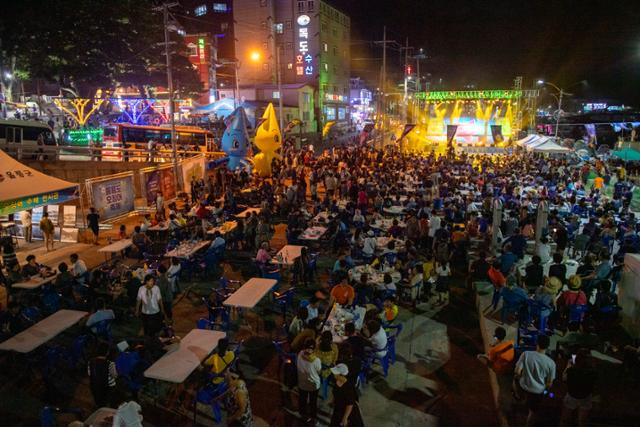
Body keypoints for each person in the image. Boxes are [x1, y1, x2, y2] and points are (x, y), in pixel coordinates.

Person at [514, 335, 556, 427]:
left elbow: (517, 371)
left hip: (523, 386)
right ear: (548, 346)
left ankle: (518, 396)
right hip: (538, 392)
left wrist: (519, 377)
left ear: (537, 343)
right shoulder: (551, 363)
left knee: (515, 378)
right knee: (533, 412)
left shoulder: (526, 354)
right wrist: (545, 392)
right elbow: (549, 383)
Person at [559, 349, 596, 427]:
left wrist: (568, 365)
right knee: (582, 421)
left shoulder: (571, 370)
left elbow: (564, 378)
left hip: (572, 395)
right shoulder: (592, 372)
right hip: (585, 397)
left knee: (564, 419)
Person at [296, 338, 322, 425]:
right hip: (313, 386)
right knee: (312, 402)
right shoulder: (316, 360)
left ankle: (303, 415)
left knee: (302, 400)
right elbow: (319, 371)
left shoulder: (300, 354)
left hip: (302, 383)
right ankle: (313, 418)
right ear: (314, 349)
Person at [87, 342, 117, 407]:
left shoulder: (91, 361)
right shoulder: (110, 363)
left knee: (98, 401)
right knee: (106, 400)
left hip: (95, 385)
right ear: (107, 352)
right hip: (108, 387)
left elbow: (89, 374)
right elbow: (114, 376)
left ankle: (99, 407)